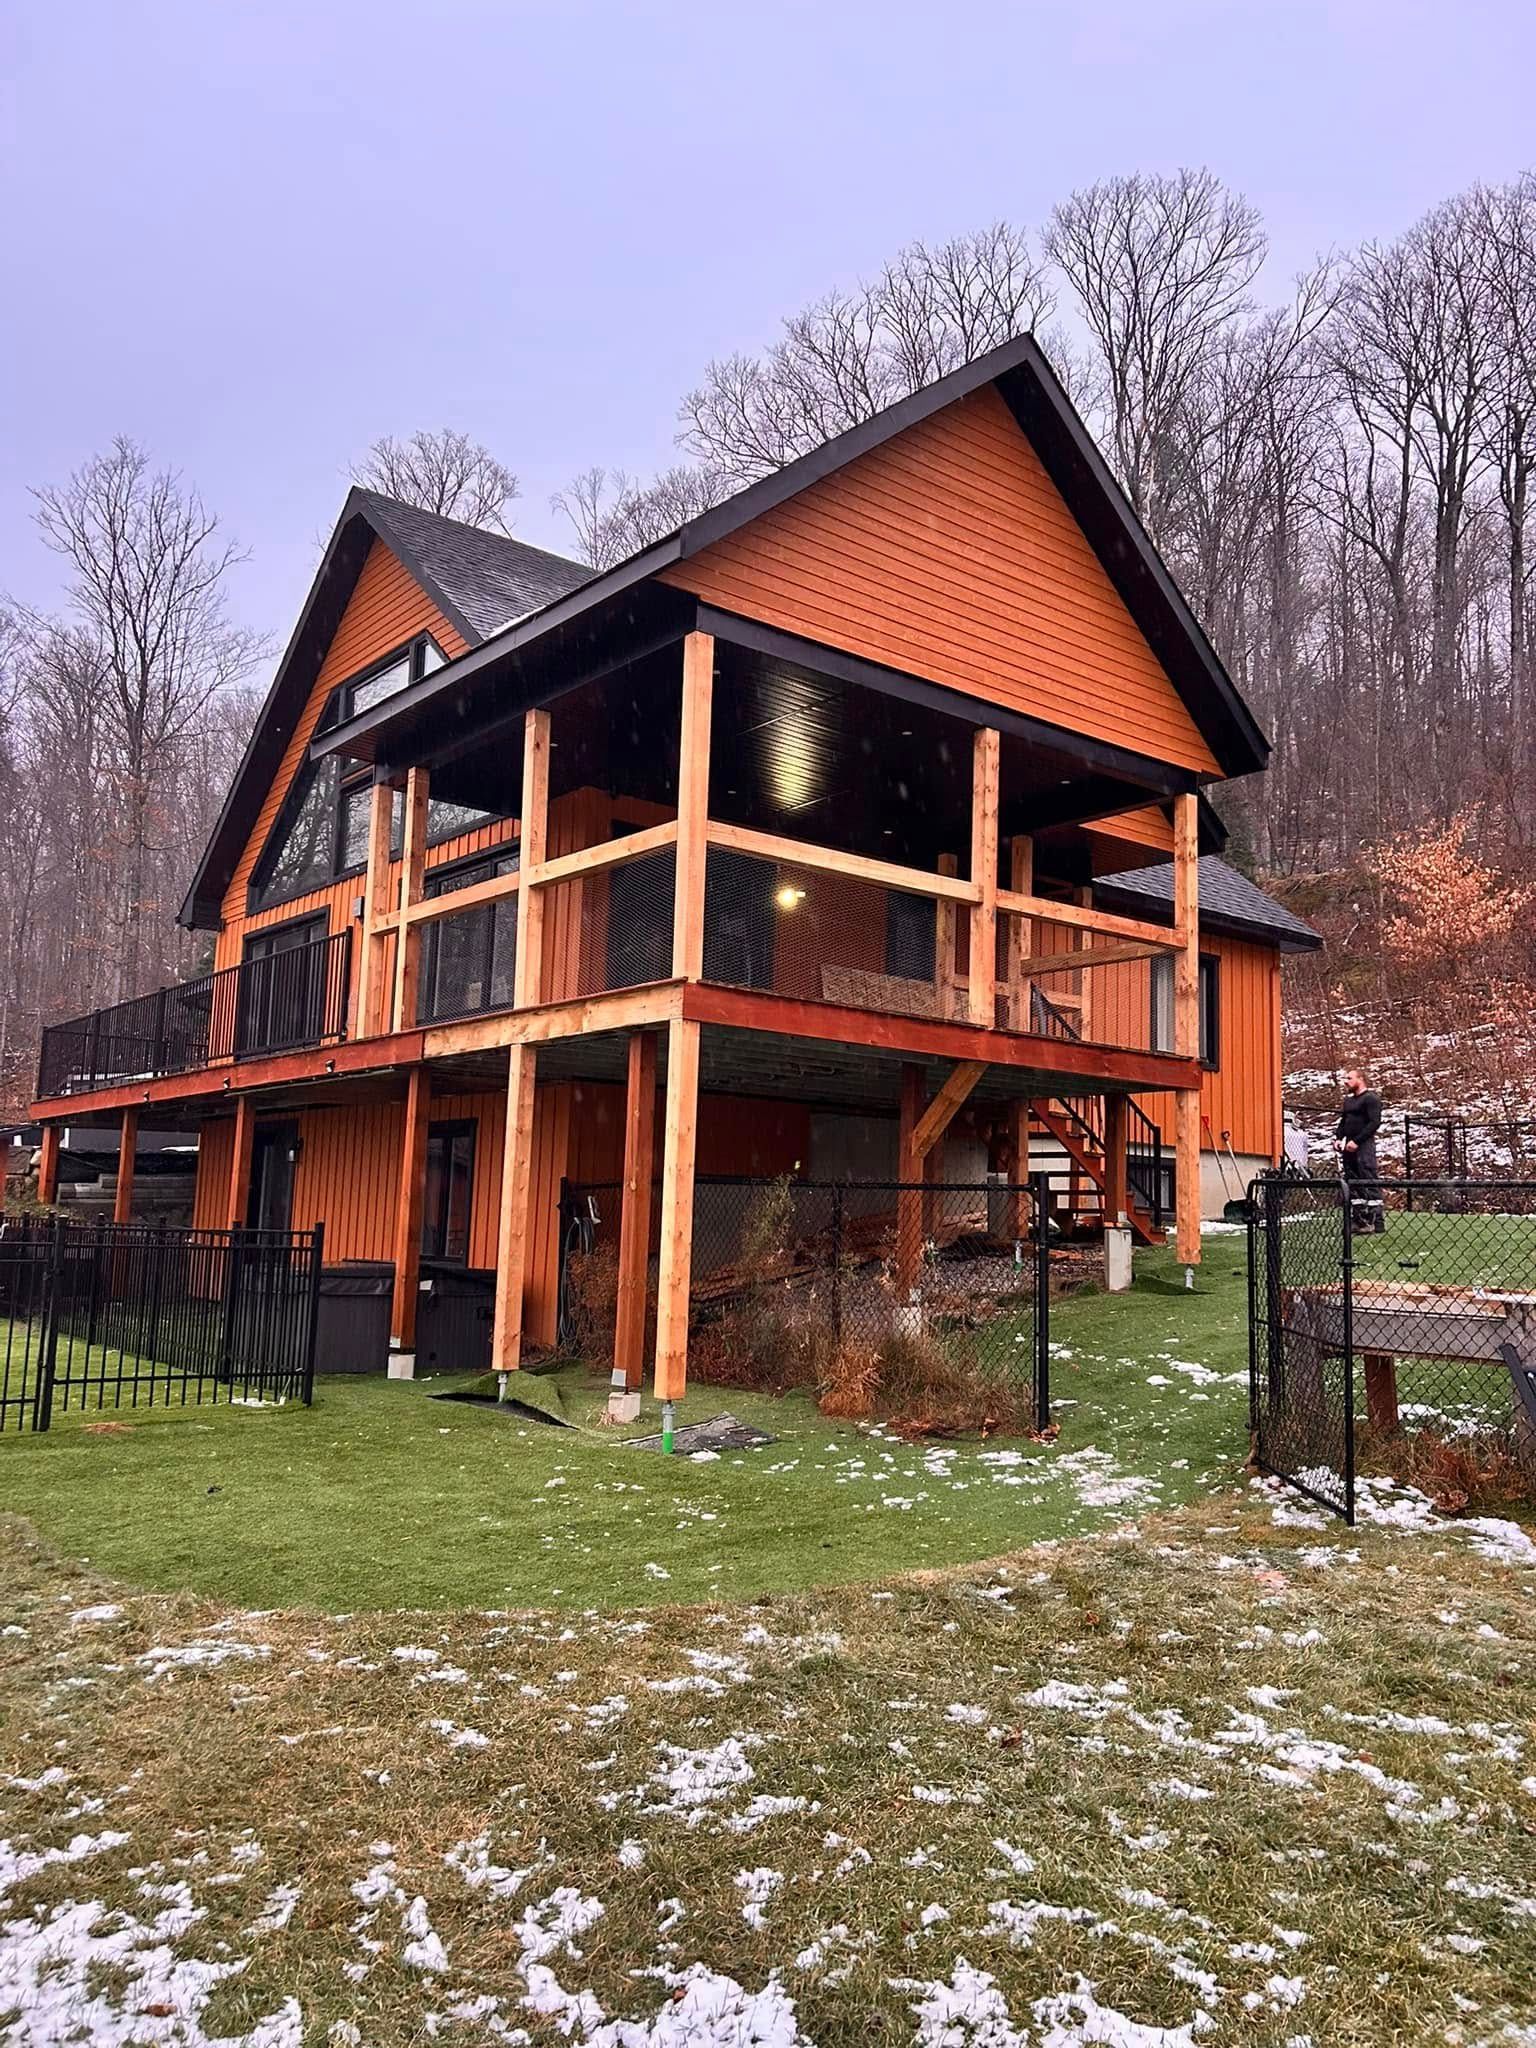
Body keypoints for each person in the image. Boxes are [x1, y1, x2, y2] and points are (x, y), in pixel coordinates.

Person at [1337, 1069, 1385, 1233]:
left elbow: (1374, 1123)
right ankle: (1359, 1221)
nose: (1346, 1081)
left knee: (1368, 1180)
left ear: (1360, 1079)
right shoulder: (1348, 1102)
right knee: (1354, 1183)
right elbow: (1343, 1122)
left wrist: (1357, 1141)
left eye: (1349, 1078)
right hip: (1348, 1149)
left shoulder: (1371, 1099)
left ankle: (1376, 1222)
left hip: (1364, 1147)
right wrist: (1338, 1138)